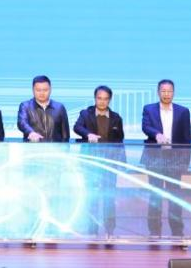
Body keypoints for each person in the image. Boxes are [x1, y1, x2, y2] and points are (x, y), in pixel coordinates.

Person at [140, 78, 191, 238]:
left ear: (174, 93)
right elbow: (146, 127)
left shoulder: (183, 111)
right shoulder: (149, 109)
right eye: (163, 91)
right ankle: (154, 231)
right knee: (155, 195)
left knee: (175, 196)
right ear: (158, 92)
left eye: (169, 91)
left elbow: (187, 138)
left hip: (174, 159)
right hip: (155, 158)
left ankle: (177, 231)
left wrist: (185, 162)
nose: (166, 94)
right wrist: (157, 134)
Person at [73, 85, 126, 236]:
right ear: (95, 98)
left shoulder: (116, 118)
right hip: (91, 164)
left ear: (109, 100)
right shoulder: (86, 114)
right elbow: (77, 127)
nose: (102, 102)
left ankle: (110, 230)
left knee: (109, 198)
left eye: (105, 99)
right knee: (92, 198)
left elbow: (120, 141)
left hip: (109, 165)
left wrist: (122, 163)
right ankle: (92, 231)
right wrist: (88, 134)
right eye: (99, 98)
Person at [17, 75, 70, 142]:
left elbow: (65, 134)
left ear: (50, 89)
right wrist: (31, 132)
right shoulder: (25, 106)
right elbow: (22, 123)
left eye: (45, 90)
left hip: (55, 147)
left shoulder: (59, 107)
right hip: (32, 146)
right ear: (33, 90)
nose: (42, 93)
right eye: (38, 90)